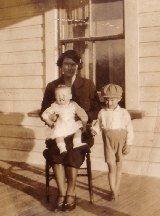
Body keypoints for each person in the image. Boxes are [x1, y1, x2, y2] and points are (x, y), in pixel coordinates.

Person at [40, 50, 101, 212]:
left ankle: (71, 193)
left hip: (80, 132)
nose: (70, 67)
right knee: (55, 150)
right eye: (66, 64)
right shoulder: (52, 86)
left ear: (78, 66)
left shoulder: (88, 85)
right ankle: (61, 193)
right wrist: (51, 119)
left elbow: (96, 109)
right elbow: (44, 110)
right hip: (59, 130)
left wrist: (82, 117)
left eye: (73, 64)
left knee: (74, 151)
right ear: (61, 66)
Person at [90, 84, 134, 201]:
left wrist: (128, 144)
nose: (109, 103)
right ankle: (113, 191)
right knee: (111, 166)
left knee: (119, 166)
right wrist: (94, 131)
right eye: (107, 100)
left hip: (121, 141)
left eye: (112, 100)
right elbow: (98, 126)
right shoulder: (102, 112)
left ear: (119, 99)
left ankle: (117, 188)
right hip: (108, 143)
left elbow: (129, 129)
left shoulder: (124, 113)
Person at [41, 84, 88, 154]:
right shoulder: (55, 106)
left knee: (79, 128)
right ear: (55, 97)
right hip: (61, 125)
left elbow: (83, 114)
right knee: (58, 134)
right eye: (58, 96)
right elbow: (44, 114)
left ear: (70, 96)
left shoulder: (73, 105)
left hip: (71, 124)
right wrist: (50, 122)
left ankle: (77, 142)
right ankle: (62, 148)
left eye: (63, 95)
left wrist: (84, 124)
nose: (61, 98)